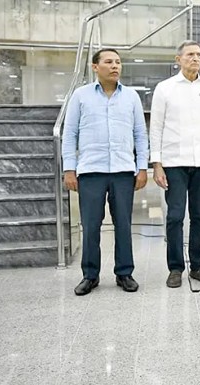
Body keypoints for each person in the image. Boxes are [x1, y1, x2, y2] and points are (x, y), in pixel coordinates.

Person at [63, 48, 148, 296]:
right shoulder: (80, 96)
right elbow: (70, 134)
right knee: (91, 226)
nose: (115, 66)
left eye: (118, 62)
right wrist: (69, 168)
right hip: (91, 170)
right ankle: (90, 275)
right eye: (109, 62)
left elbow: (140, 134)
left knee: (124, 224)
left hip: (123, 170)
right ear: (95, 67)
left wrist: (142, 167)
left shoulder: (131, 97)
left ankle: (124, 273)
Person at [150, 40, 200, 288]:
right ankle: (175, 268)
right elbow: (156, 128)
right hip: (174, 163)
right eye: (190, 54)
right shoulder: (165, 89)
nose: (195, 58)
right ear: (178, 59)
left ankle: (198, 265)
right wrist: (157, 164)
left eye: (199, 55)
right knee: (175, 217)